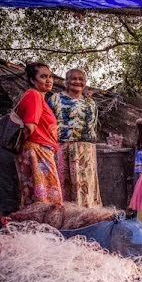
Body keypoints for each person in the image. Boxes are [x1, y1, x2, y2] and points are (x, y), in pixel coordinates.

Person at [47, 68, 102, 207]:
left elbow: (92, 127)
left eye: (81, 79)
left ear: (85, 83)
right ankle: (65, 216)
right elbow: (48, 124)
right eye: (73, 78)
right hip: (62, 147)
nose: (77, 81)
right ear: (66, 82)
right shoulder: (56, 98)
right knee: (63, 183)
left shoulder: (90, 103)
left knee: (85, 185)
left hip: (86, 150)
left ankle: (85, 214)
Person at [15, 62, 62, 208]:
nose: (49, 80)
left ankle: (37, 227)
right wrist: (29, 149)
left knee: (37, 196)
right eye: (43, 76)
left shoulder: (38, 98)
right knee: (47, 198)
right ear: (32, 80)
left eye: (50, 76)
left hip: (37, 149)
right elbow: (29, 126)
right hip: (37, 150)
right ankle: (43, 228)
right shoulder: (34, 95)